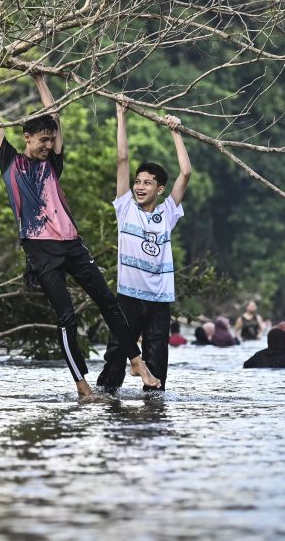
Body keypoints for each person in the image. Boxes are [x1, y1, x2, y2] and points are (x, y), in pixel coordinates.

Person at [0, 69, 160, 398]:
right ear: (27, 138)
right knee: (67, 319)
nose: (48, 145)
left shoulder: (53, 164)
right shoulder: (10, 162)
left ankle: (136, 360)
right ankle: (81, 385)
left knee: (107, 300)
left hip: (72, 244)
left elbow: (56, 117)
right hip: (40, 251)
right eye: (42, 140)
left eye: (51, 139)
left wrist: (39, 80)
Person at [96, 98, 192, 394]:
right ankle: (105, 398)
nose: (139, 186)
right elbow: (122, 159)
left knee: (157, 357)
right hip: (128, 295)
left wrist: (176, 131)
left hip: (160, 298)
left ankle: (154, 409)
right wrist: (120, 116)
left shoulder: (167, 213)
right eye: (138, 181)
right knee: (116, 354)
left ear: (159, 189)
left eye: (147, 183)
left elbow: (186, 172)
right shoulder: (125, 207)